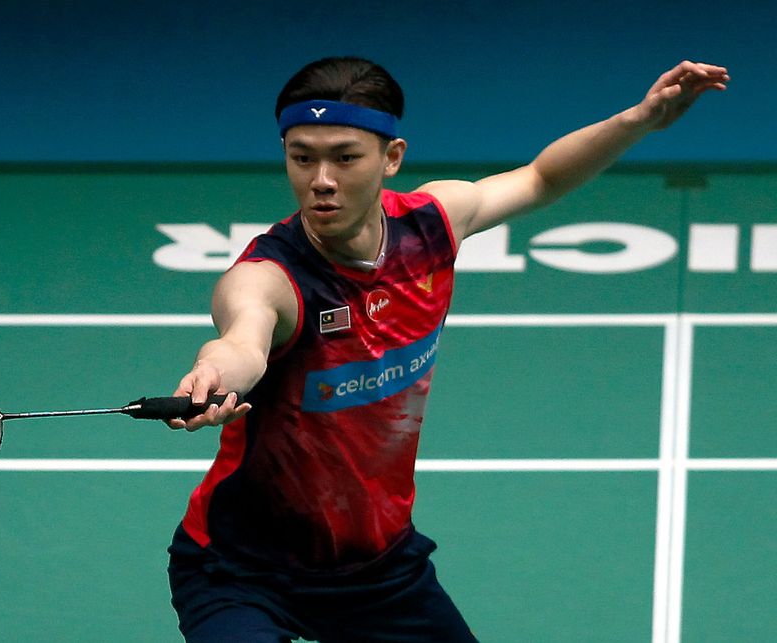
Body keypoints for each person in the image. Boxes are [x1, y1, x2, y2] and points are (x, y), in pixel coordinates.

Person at [164, 57, 728, 642]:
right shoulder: (268, 276)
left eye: (345, 157)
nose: (321, 179)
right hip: (240, 571)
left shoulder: (431, 226)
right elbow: (241, 340)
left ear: (392, 157)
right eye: (302, 157)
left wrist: (641, 119)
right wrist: (213, 373)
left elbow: (539, 179)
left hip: (379, 570)